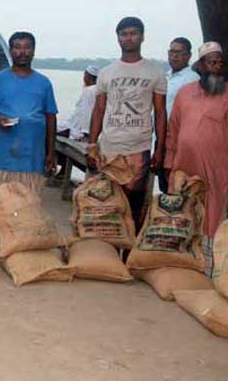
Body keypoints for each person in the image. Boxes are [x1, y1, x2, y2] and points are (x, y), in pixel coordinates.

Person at [89, 17, 167, 232]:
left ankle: (128, 256)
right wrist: (91, 145)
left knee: (133, 206)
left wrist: (159, 149)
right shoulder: (106, 72)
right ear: (118, 38)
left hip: (138, 148)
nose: (128, 38)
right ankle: (110, 253)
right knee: (107, 204)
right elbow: (99, 110)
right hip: (109, 148)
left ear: (142, 37)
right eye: (124, 34)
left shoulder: (154, 72)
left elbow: (160, 113)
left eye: (133, 33)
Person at [165, 42, 228, 277]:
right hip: (183, 166)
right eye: (211, 62)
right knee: (181, 213)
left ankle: (208, 267)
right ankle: (178, 263)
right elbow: (173, 129)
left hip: (217, 170)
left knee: (211, 217)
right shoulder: (185, 93)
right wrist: (168, 161)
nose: (217, 67)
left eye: (220, 63)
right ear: (200, 66)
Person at [0, 32, 58, 197]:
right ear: (10, 51)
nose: (22, 52)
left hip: (33, 157)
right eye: (17, 47)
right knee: (0, 205)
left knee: (30, 207)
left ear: (34, 51)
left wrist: (51, 152)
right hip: (3, 157)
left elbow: (51, 117)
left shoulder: (44, 83)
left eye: (27, 47)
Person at [159, 37, 200, 192]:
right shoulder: (166, 76)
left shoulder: (192, 80)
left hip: (177, 143)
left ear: (189, 56)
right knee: (164, 186)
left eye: (179, 52)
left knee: (177, 187)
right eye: (171, 52)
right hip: (160, 140)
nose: (174, 56)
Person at [58, 65, 99, 141]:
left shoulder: (89, 91)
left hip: (79, 131)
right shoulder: (96, 90)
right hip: (75, 126)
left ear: (87, 76)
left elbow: (87, 112)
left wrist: (86, 133)